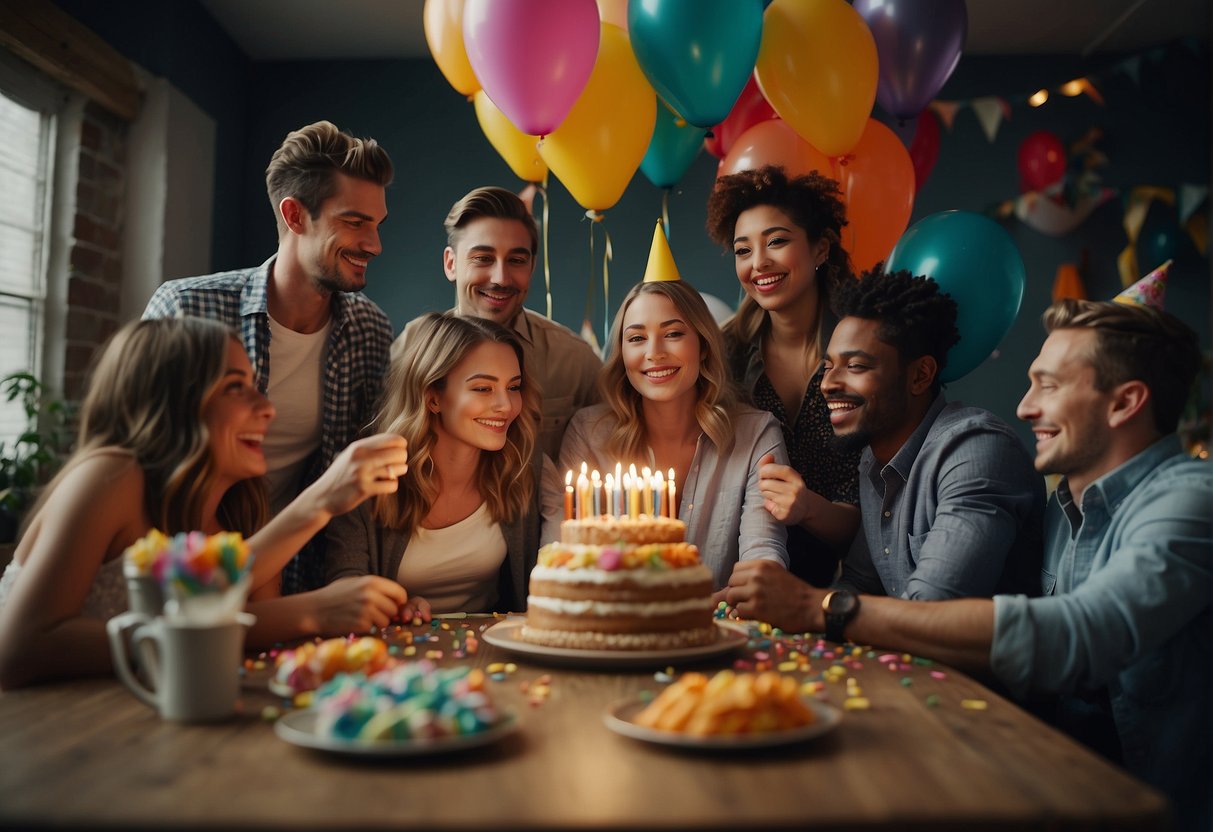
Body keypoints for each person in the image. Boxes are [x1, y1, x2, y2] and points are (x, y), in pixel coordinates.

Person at [722, 290, 1209, 830]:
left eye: (1048, 385)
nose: (1025, 407)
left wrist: (822, 608)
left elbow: (1080, 633)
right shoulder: (1065, 507)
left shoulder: (1191, 500)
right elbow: (868, 586)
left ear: (1124, 403)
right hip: (1049, 779)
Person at [0, 317, 410, 690]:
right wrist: (310, 599)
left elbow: (246, 639)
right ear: (172, 400)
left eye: (255, 386)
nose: (266, 408)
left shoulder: (242, 507)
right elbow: (21, 649)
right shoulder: (109, 477)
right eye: (235, 387)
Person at [143, 120, 394, 595]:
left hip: (301, 578)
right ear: (295, 216)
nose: (374, 245)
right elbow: (141, 467)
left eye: (378, 225)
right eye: (355, 222)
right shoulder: (185, 309)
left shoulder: (370, 329)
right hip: (178, 578)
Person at [559, 227, 789, 589]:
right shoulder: (588, 433)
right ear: (622, 354)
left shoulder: (757, 434)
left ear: (703, 345)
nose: (654, 353)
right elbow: (562, 560)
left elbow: (764, 559)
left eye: (673, 333)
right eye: (636, 338)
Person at [824, 269, 1043, 600]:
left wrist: (809, 607)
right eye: (828, 366)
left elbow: (932, 607)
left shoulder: (976, 450)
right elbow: (859, 581)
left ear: (920, 376)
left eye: (855, 366)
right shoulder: (873, 460)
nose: (828, 383)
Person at [326, 313, 562, 619]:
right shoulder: (365, 474)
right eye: (482, 389)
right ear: (433, 397)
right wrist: (390, 608)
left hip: (495, 654)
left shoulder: (522, 468)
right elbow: (343, 585)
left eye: (513, 387)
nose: (506, 405)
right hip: (395, 654)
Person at [706, 165, 860, 587]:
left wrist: (806, 507)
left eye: (776, 241)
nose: (758, 263)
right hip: (737, 582)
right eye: (743, 250)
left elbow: (879, 519)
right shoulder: (725, 354)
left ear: (822, 248)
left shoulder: (865, 353)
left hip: (846, 588)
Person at [391, 186, 600, 461]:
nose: (500, 278)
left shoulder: (574, 360)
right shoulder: (410, 348)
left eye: (516, 260)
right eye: (483, 259)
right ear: (451, 264)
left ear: (532, 267)